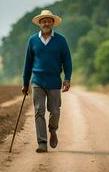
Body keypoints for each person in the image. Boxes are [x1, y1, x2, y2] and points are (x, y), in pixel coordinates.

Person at [21, 10, 72, 153]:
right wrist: (25, 83)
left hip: (54, 81)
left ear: (53, 23)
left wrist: (67, 79)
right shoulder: (32, 40)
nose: (46, 23)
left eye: (49, 20)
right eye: (43, 21)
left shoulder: (61, 40)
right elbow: (28, 63)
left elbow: (67, 61)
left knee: (55, 111)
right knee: (39, 111)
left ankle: (53, 130)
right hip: (37, 81)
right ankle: (42, 143)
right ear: (40, 23)